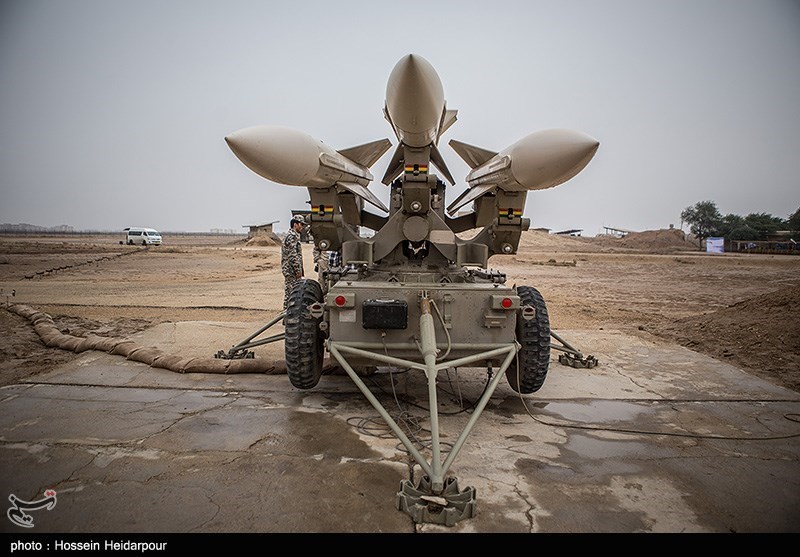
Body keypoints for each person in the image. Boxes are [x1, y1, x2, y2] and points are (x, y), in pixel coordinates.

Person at [281, 214, 305, 309]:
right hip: (291, 270)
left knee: (291, 293)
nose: (302, 227)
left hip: (290, 269)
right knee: (291, 294)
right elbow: (293, 255)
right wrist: (298, 271)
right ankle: (286, 315)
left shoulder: (292, 235)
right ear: (295, 224)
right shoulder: (292, 236)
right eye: (301, 224)